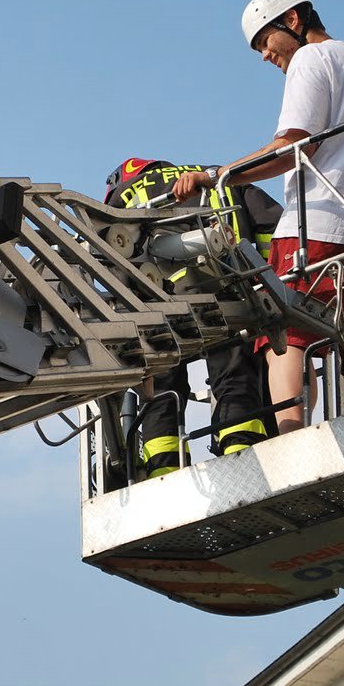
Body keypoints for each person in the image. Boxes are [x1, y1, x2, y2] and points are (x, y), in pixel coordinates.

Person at [172, 0, 344, 434]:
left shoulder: (311, 60)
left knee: (286, 334)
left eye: (266, 40)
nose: (266, 55)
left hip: (320, 223)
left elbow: (293, 148)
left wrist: (218, 175)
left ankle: (291, 437)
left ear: (291, 19)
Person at [105, 157, 281, 476]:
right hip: (227, 289)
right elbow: (274, 228)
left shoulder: (125, 196)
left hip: (156, 306)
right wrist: (270, 281)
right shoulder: (217, 176)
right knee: (234, 370)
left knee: (161, 388)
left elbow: (112, 258)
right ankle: (240, 448)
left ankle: (164, 471)